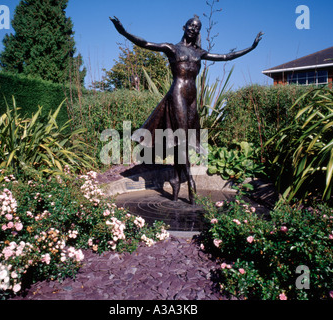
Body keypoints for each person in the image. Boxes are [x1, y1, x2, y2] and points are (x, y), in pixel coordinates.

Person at [110, 15, 263, 205]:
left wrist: (251, 47)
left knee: (185, 139)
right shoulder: (171, 48)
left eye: (197, 27)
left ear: (198, 31)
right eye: (191, 25)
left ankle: (175, 179)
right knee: (182, 138)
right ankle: (190, 181)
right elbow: (146, 43)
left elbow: (226, 56)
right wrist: (123, 31)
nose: (193, 28)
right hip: (177, 94)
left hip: (192, 98)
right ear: (184, 26)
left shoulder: (200, 53)